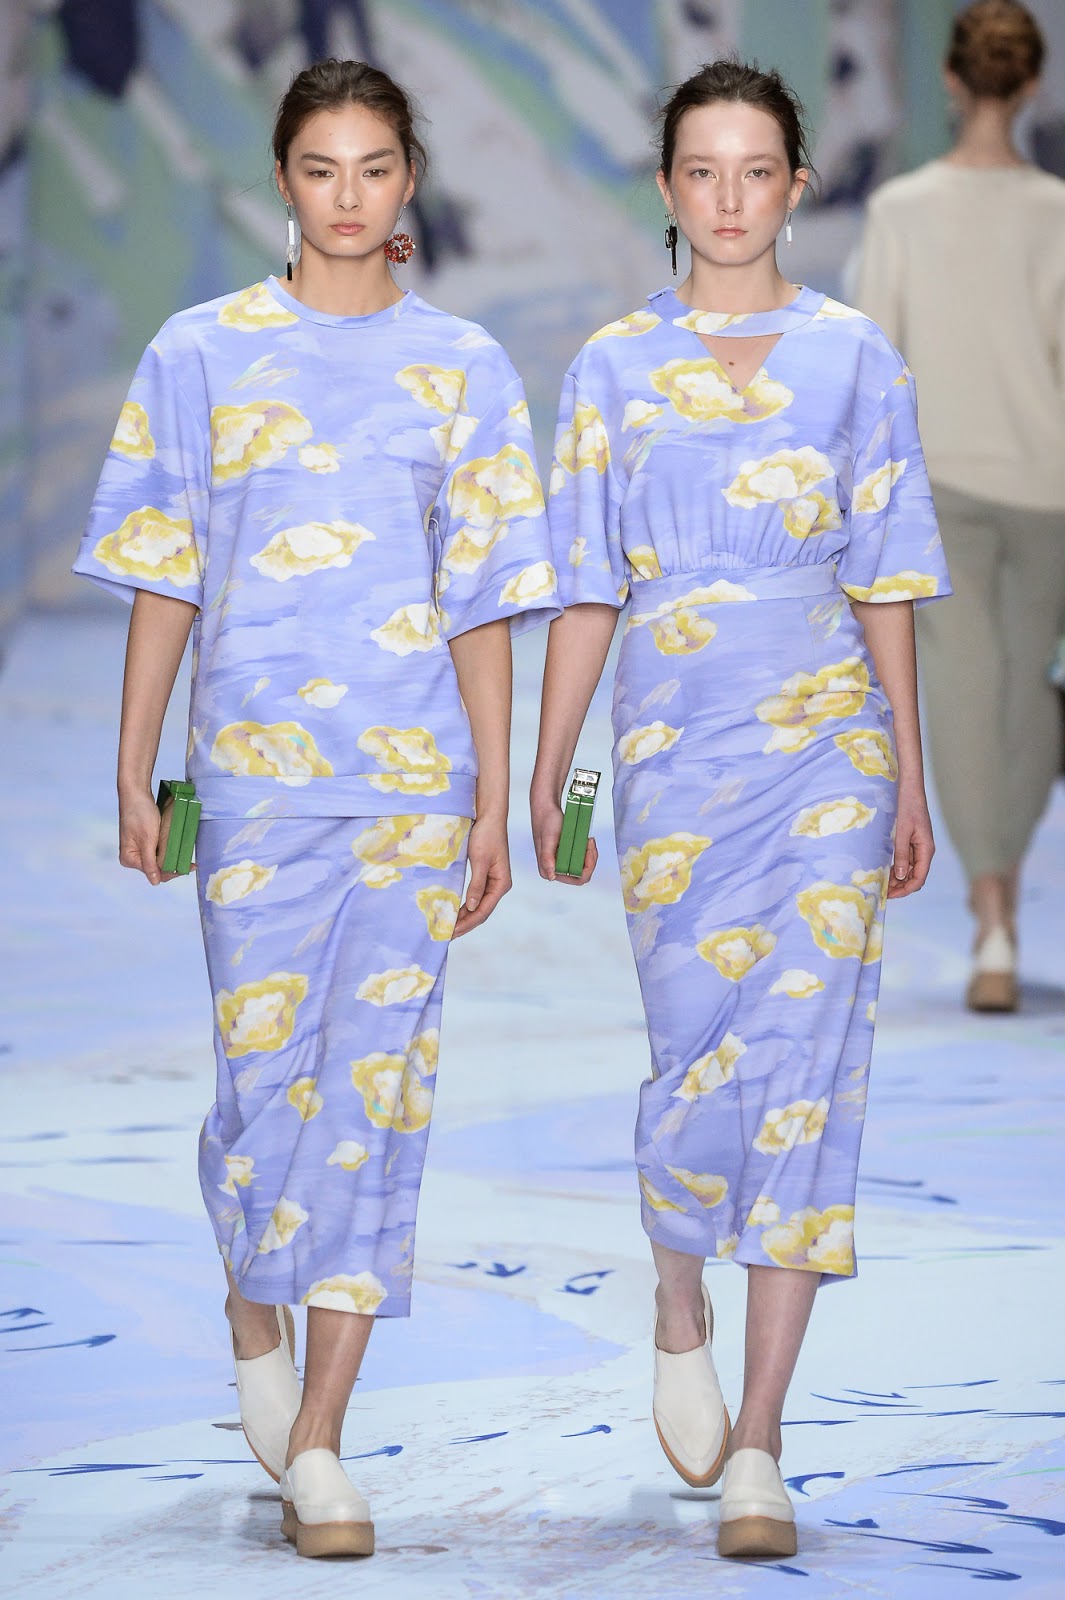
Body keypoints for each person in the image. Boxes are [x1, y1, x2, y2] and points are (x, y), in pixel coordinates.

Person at [73, 57, 559, 1559]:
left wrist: (489, 798)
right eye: (320, 168)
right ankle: (252, 1311)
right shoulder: (200, 353)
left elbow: (483, 601)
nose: (348, 197)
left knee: (375, 1103)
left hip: (409, 792)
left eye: (374, 167)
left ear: (409, 180)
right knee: (258, 1093)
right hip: (254, 784)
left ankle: (328, 1442)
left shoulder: (465, 368)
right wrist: (138, 759)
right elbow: (166, 568)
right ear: (282, 181)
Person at [531, 58, 950, 1562]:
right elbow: (586, 584)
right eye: (701, 171)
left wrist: (906, 769)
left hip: (828, 747)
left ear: (794, 185)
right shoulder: (609, 369)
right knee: (694, 1056)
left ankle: (765, 1435)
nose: (728, 197)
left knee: (808, 1071)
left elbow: (886, 574)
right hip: (670, 749)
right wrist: (552, 765)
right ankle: (675, 1291)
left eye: (755, 169)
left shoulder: (856, 360)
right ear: (666, 189)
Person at [856, 0, 1065, 1013]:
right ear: (1030, 83)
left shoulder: (900, 210)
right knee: (1017, 698)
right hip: (1047, 486)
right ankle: (997, 913)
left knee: (975, 702)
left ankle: (994, 917)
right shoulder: (1057, 212)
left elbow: (873, 361)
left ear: (950, 78)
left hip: (942, 484)